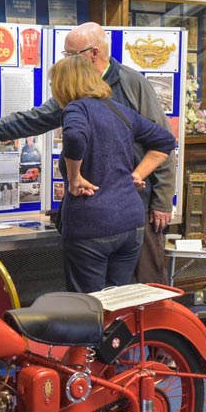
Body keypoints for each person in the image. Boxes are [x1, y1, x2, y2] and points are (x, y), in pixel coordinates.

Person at [0, 22, 176, 285]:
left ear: (94, 53)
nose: (66, 61)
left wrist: (161, 199)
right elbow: (28, 120)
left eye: (70, 55)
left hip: (132, 208)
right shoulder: (78, 96)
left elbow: (164, 141)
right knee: (115, 294)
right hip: (115, 210)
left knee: (142, 286)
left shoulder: (131, 85)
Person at [49, 55, 176, 292]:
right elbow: (165, 141)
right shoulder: (119, 110)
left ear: (63, 84)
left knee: (89, 305)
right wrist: (138, 174)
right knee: (117, 301)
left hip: (91, 225)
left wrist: (74, 176)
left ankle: (96, 331)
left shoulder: (76, 108)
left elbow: (75, 136)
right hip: (129, 224)